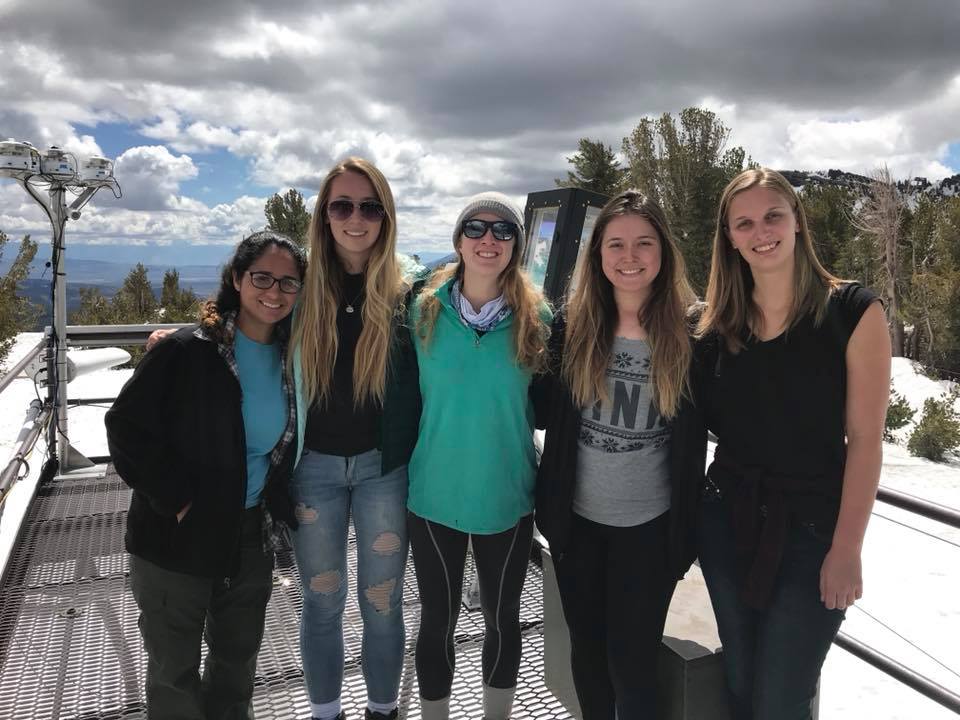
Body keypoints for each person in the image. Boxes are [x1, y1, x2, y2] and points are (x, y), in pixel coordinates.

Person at [695, 168, 890, 720]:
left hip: (810, 535)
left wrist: (847, 549)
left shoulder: (852, 312)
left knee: (781, 697)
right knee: (738, 682)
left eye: (773, 216)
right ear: (729, 237)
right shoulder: (718, 325)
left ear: (797, 222)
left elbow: (867, 442)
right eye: (745, 223)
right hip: (725, 522)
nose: (762, 232)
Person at [106, 230, 306, 719]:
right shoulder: (187, 351)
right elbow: (125, 427)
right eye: (262, 277)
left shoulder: (293, 357)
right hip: (177, 536)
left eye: (288, 283)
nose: (274, 292)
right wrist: (175, 497)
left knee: (236, 669)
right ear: (237, 279)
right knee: (174, 675)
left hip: (250, 536)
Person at [535, 190, 708, 719]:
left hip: (650, 531)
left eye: (643, 243)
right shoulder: (572, 327)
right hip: (578, 526)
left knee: (632, 665)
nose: (629, 256)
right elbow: (538, 408)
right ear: (597, 254)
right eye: (616, 244)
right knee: (588, 658)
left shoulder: (692, 333)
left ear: (664, 252)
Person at [407, 192, 551, 720]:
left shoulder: (539, 319)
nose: (488, 239)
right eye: (475, 227)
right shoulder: (421, 312)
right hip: (433, 494)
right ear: (458, 241)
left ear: (516, 245)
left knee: (501, 617)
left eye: (503, 230)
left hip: (505, 494)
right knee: (437, 618)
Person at [288, 157, 418, 720]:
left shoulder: (409, 292)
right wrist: (195, 331)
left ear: (385, 217)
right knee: (320, 602)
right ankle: (326, 712)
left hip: (382, 467)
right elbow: (244, 315)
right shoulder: (297, 284)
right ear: (324, 215)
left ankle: (382, 710)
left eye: (369, 206)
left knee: (382, 603)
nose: (355, 218)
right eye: (342, 205)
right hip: (312, 467)